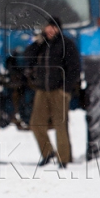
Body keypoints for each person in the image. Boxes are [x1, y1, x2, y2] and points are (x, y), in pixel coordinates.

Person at [23, 16, 81, 168]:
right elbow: (28, 56)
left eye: (53, 27)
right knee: (36, 124)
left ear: (58, 29)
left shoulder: (66, 45)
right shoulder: (42, 45)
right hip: (42, 90)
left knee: (60, 125)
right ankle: (48, 153)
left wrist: (65, 89)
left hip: (58, 91)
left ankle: (64, 159)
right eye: (48, 27)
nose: (50, 30)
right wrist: (37, 42)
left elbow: (74, 69)